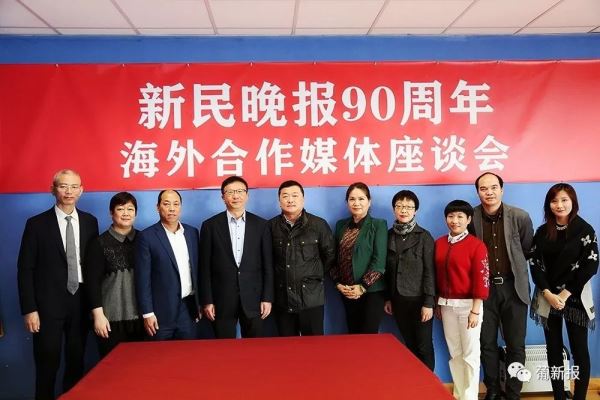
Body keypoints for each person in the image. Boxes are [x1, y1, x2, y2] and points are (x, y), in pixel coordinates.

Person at [17, 169, 99, 399]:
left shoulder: (90, 222)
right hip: (47, 306)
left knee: (76, 363)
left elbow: (93, 266)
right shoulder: (36, 224)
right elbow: (25, 269)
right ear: (53, 189)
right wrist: (29, 309)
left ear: (81, 190)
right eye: (63, 186)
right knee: (47, 365)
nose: (69, 191)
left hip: (80, 302)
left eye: (74, 186)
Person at [529, 183, 598, 400]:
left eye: (564, 200)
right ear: (548, 204)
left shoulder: (585, 230)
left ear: (573, 202)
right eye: (554, 201)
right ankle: (559, 396)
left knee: (579, 351)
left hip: (575, 298)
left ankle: (580, 397)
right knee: (554, 349)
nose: (559, 205)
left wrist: (565, 294)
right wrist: (548, 294)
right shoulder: (542, 232)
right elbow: (534, 264)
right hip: (548, 298)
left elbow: (591, 265)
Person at [470, 172, 533, 400]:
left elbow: (526, 249)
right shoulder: (471, 218)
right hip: (484, 289)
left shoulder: (519, 216)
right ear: (478, 192)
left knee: (516, 344)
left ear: (502, 189)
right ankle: (493, 389)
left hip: (513, 287)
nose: (489, 192)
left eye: (494, 187)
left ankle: (514, 392)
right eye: (483, 188)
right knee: (486, 342)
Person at [199, 176, 274, 338]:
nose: (235, 196)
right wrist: (208, 300)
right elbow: (204, 268)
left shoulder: (262, 225)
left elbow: (268, 265)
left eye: (240, 191)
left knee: (254, 348)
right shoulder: (210, 225)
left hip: (254, 299)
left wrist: (267, 298)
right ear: (223, 197)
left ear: (247, 195)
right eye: (230, 192)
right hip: (221, 300)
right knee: (224, 348)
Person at [435, 200, 489, 400]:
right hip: (446, 306)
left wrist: (475, 310)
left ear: (468, 219)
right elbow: (435, 275)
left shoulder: (477, 245)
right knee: (455, 353)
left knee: (470, 355)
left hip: (469, 307)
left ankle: (470, 396)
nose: (455, 221)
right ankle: (458, 394)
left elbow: (482, 279)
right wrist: (438, 302)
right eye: (451, 216)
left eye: (460, 216)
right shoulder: (439, 243)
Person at [268, 180, 335, 336]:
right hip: (282, 299)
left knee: (314, 346)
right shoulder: (271, 227)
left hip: (311, 299)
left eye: (295, 195)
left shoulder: (318, 225)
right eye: (285, 196)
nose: (290, 200)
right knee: (287, 347)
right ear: (279, 201)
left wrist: (313, 277)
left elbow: (330, 256)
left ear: (303, 199)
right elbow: (268, 261)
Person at [84, 192, 144, 358]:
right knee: (112, 367)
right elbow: (92, 283)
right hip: (110, 320)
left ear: (136, 213)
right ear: (111, 212)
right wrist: (98, 316)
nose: (126, 213)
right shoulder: (98, 243)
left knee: (142, 367)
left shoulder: (144, 239)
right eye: (120, 209)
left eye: (130, 209)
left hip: (142, 318)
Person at [135, 189, 200, 340]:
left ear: (180, 207)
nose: (172, 208)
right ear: (158, 207)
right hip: (160, 312)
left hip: (188, 309)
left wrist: (199, 303)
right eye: (166, 204)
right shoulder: (146, 236)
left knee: (188, 352)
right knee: (160, 354)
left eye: (176, 204)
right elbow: (142, 279)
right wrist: (147, 313)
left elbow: (197, 271)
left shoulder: (192, 233)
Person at [384, 190, 435, 371]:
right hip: (398, 300)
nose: (403, 210)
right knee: (409, 345)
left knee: (423, 345)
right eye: (399, 206)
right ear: (394, 209)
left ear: (415, 210)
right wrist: (387, 298)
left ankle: (429, 385)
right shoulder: (388, 235)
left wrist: (429, 303)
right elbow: (386, 271)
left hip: (419, 301)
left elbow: (430, 271)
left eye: (408, 207)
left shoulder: (424, 236)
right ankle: (415, 383)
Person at [330, 182, 387, 334]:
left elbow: (379, 262)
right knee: (353, 336)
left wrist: (362, 287)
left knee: (368, 338)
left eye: (361, 199)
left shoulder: (378, 225)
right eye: (352, 199)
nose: (356, 203)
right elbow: (334, 258)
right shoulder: (341, 225)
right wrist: (338, 283)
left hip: (371, 291)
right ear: (347, 202)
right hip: (347, 291)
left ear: (369, 201)